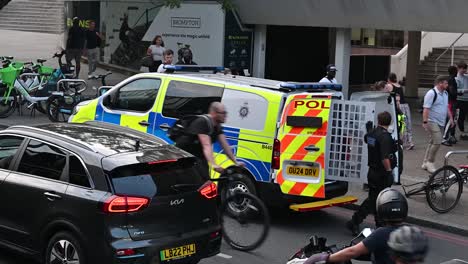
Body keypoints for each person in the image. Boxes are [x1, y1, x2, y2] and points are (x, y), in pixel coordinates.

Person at [305, 188, 409, 264]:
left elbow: (352, 251)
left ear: (381, 210)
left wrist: (325, 258)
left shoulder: (382, 234)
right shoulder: (412, 233)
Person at [346, 111, 397, 235]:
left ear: (378, 121)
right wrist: (389, 171)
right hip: (381, 173)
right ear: (390, 122)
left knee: (374, 199)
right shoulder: (385, 137)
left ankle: (377, 223)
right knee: (376, 200)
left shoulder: (372, 134)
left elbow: (367, 140)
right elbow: (385, 158)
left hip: (372, 172)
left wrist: (369, 131)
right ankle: (356, 221)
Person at [175, 102, 243, 180]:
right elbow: (206, 145)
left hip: (199, 156)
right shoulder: (202, 122)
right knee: (198, 183)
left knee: (206, 180)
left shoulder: (217, 126)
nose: (225, 115)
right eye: (223, 113)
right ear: (214, 113)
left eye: (226, 113)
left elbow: (225, 146)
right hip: (185, 156)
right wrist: (213, 164)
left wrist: (235, 162)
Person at [421, 76, 453, 173]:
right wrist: (425, 122)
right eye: (446, 83)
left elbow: (446, 106)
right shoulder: (431, 93)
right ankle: (430, 162)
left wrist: (451, 118)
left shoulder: (445, 93)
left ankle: (425, 162)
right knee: (438, 141)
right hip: (432, 121)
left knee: (432, 142)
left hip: (441, 122)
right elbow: (426, 108)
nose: (447, 85)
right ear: (440, 83)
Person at [388, 72, 414, 150]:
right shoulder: (399, 86)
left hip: (399, 106)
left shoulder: (390, 85)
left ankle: (401, 142)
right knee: (407, 124)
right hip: (405, 105)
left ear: (389, 79)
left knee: (401, 125)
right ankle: (410, 141)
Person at [443, 66, 459, 146]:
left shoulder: (449, 79)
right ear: (454, 71)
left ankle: (449, 136)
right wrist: (459, 92)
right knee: (450, 120)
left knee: (453, 120)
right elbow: (452, 91)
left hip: (451, 101)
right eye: (456, 70)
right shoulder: (452, 80)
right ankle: (444, 137)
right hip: (451, 101)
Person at [455, 62, 468, 140]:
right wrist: (465, 90)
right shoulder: (456, 78)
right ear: (458, 68)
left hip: (467, 100)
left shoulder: (466, 77)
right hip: (460, 100)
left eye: (465, 68)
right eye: (462, 68)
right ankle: (462, 133)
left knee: (464, 117)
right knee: (461, 117)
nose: (463, 70)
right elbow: (455, 90)